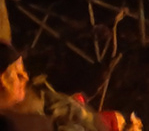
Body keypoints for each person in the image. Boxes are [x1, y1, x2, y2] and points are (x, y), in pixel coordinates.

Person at [0, 40, 139, 130]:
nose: (25, 77)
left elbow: (71, 110)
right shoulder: (13, 124)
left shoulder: (39, 100)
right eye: (15, 74)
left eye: (22, 69)